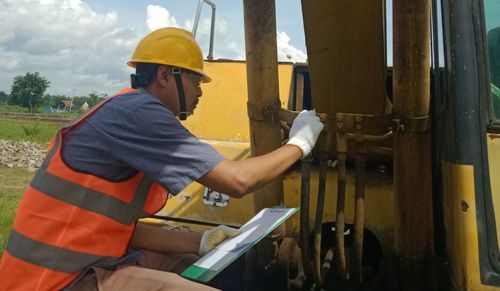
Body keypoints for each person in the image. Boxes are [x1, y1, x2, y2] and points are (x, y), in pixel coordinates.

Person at [0, 27, 324, 290]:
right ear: (167, 75)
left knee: (215, 274)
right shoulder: (139, 114)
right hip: (55, 280)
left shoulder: (127, 109)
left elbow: (120, 229)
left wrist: (202, 240)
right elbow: (237, 181)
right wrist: (301, 141)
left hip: (84, 262)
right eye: (196, 81)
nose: (200, 92)